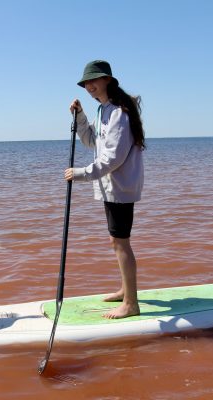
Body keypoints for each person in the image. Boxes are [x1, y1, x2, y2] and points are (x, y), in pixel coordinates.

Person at [65, 60, 145, 319]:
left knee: (121, 243)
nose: (89, 86)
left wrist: (81, 174)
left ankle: (131, 304)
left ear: (108, 80)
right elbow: (92, 142)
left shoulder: (120, 113)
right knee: (116, 241)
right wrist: (79, 116)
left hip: (120, 187)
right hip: (110, 188)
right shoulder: (103, 111)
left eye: (93, 80)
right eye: (86, 82)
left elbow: (113, 158)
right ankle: (125, 290)